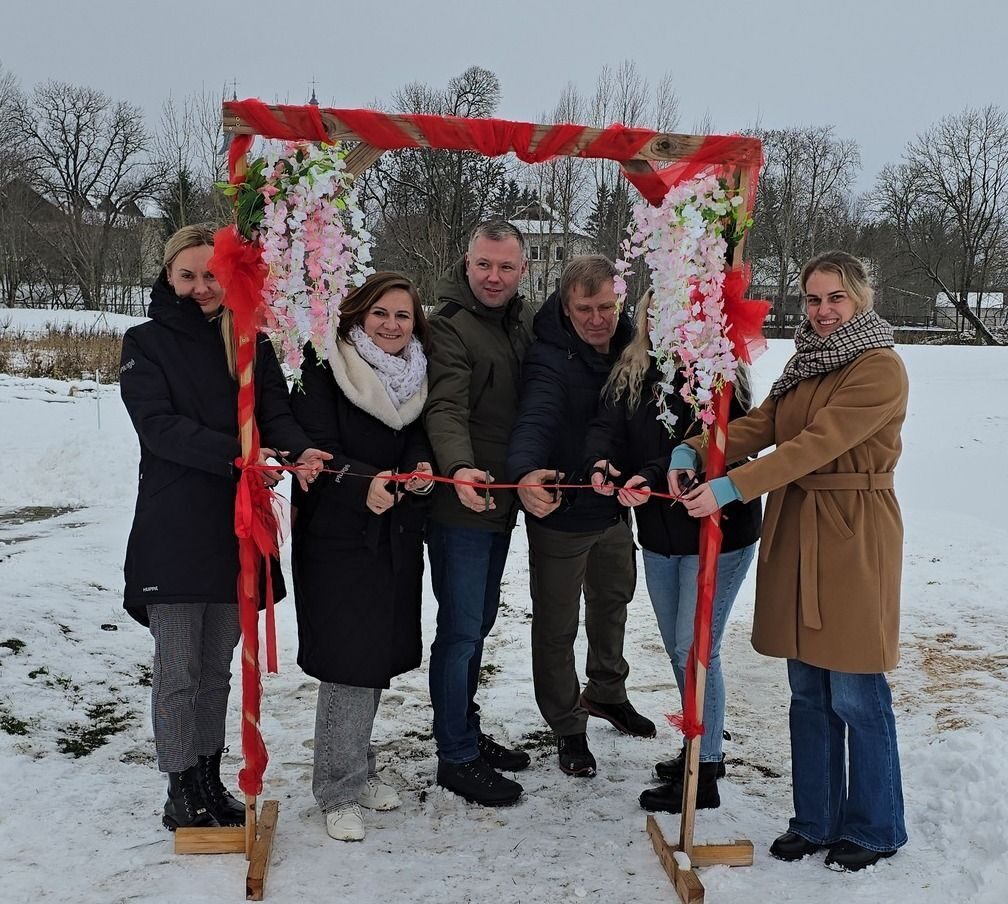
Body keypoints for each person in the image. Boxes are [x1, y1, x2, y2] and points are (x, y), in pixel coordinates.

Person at [671, 251, 909, 872]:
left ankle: (877, 825)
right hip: (799, 525)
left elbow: (816, 444)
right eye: (812, 299)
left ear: (860, 299)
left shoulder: (880, 368)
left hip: (854, 533)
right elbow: (762, 426)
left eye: (835, 298)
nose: (823, 311)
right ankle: (816, 817)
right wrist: (696, 449)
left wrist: (732, 487)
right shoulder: (805, 364)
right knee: (806, 687)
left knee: (856, 686)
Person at [120, 225, 330, 831]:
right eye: (187, 275)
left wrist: (298, 450)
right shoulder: (145, 343)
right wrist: (237, 454)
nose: (201, 287)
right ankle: (179, 784)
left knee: (215, 665)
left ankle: (209, 777)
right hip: (175, 529)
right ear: (167, 276)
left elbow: (273, 410)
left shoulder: (248, 340)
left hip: (235, 532)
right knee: (178, 669)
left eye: (212, 275)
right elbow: (157, 427)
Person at [584, 288, 762, 811]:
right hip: (659, 534)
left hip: (718, 531)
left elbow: (714, 442)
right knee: (678, 648)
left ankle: (703, 772)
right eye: (656, 310)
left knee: (696, 648)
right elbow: (607, 428)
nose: (668, 322)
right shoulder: (633, 368)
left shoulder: (719, 373)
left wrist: (651, 472)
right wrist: (602, 463)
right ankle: (697, 745)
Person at [289, 271, 435, 842]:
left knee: (374, 656)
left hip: (394, 534)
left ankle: (359, 764)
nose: (392, 324)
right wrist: (364, 481)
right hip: (339, 535)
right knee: (348, 662)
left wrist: (421, 468)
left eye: (402, 315)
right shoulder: (325, 366)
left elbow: (416, 436)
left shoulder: (416, 373)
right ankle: (337, 788)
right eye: (380, 313)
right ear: (357, 316)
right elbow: (316, 446)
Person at [506, 255, 655, 779]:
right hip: (564, 512)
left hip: (615, 508)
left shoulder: (635, 348)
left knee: (613, 602)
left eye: (608, 307)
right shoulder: (550, 357)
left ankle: (607, 691)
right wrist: (526, 472)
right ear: (566, 308)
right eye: (585, 308)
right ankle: (567, 721)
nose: (598, 318)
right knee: (557, 621)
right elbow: (536, 417)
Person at [423, 219, 535, 806]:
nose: (494, 277)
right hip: (462, 503)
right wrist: (460, 468)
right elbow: (445, 406)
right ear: (467, 263)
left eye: (506, 267)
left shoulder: (517, 324)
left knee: (481, 622)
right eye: (484, 265)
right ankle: (455, 756)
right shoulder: (450, 328)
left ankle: (464, 728)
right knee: (462, 629)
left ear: (522, 270)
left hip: (501, 500)